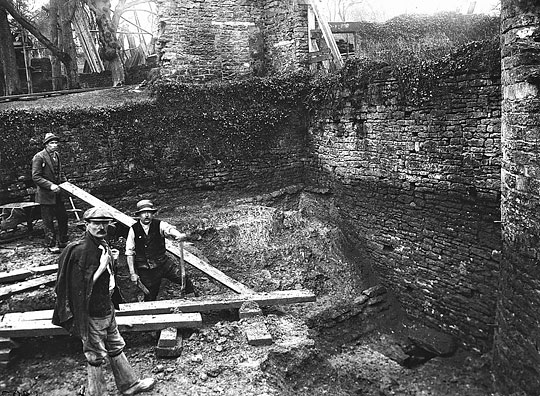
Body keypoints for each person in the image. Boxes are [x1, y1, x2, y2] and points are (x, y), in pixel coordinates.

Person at [52, 207, 155, 396]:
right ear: (86, 224)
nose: (101, 227)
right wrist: (101, 266)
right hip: (90, 312)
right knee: (95, 354)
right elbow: (78, 287)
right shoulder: (79, 251)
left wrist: (112, 262)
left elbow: (108, 277)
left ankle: (129, 384)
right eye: (96, 223)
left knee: (116, 345)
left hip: (106, 307)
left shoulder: (102, 244)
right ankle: (96, 393)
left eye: (104, 223)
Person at [125, 199, 194, 301]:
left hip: (163, 264)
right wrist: (132, 273)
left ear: (152, 214)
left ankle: (193, 304)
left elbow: (169, 229)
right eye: (144, 213)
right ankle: (151, 315)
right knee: (150, 295)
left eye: (149, 212)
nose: (147, 215)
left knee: (185, 281)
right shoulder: (133, 229)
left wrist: (178, 235)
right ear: (139, 215)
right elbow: (130, 252)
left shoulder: (159, 224)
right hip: (146, 270)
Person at [31, 132, 69, 253]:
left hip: (57, 194)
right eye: (52, 143)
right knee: (48, 221)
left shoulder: (56, 155)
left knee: (63, 217)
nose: (54, 145)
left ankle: (63, 241)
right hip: (46, 195)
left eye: (56, 142)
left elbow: (60, 172)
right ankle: (50, 243)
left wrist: (66, 183)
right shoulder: (39, 157)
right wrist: (50, 185)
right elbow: (36, 177)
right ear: (46, 145)